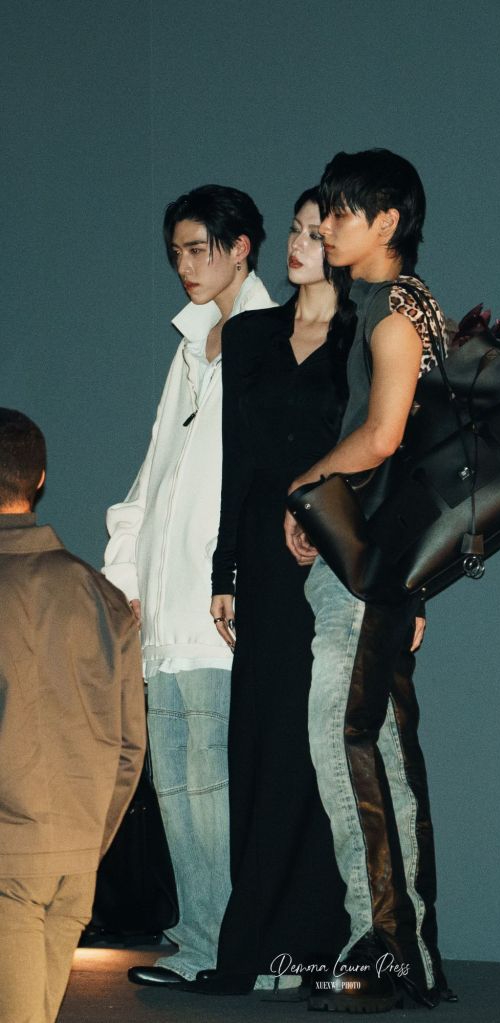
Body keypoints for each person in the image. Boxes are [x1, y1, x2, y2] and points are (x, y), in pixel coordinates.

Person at [284, 150, 454, 1012]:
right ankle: (408, 952)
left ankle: (384, 946)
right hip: (385, 566)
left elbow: (384, 436)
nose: (327, 226)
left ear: (387, 221)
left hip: (363, 568)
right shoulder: (410, 304)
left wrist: (305, 486)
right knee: (382, 747)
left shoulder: (392, 309)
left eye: (343, 212)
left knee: (340, 738)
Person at [103, 185, 276, 987]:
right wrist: (122, 577)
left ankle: (243, 947)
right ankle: (204, 936)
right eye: (175, 252)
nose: (184, 265)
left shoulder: (271, 339)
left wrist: (233, 572)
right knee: (175, 785)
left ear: (241, 248)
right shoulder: (189, 349)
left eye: (198, 248)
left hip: (220, 610)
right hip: (164, 611)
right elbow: (153, 476)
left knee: (215, 781)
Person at [202, 188, 355, 993]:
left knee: (315, 745)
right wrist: (223, 568)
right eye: (294, 230)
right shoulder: (251, 333)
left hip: (329, 557)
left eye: (315, 233)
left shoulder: (361, 339)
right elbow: (238, 458)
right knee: (261, 743)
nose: (298, 244)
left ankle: (312, 943)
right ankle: (253, 942)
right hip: (264, 560)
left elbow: (382, 457)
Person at [0, 408, 146, 1023]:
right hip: (76, 854)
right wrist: (89, 839)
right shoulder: (100, 595)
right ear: (38, 480)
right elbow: (131, 745)